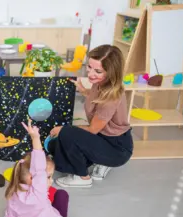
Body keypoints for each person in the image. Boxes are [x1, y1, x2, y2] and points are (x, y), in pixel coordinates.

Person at [0, 119, 85, 217]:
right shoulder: (39, 192)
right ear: (34, 178)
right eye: (48, 177)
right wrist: (35, 138)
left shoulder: (13, 195)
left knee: (53, 194)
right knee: (62, 195)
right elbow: (39, 166)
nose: (49, 180)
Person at [49, 44, 133, 188]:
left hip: (116, 148)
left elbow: (93, 129)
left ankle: (83, 177)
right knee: (54, 146)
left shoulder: (111, 97)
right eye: (89, 67)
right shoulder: (100, 82)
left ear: (111, 72)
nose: (91, 74)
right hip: (103, 138)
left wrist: (62, 129)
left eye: (98, 71)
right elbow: (96, 98)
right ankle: (99, 161)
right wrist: (83, 90)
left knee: (67, 132)